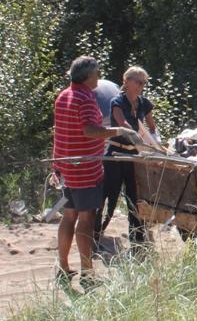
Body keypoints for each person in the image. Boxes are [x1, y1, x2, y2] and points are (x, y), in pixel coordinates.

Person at [53, 56, 140, 287]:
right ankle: (88, 274)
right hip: (85, 169)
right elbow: (91, 131)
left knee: (69, 215)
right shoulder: (85, 98)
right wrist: (120, 130)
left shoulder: (63, 96)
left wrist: (57, 166)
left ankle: (62, 267)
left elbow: (62, 132)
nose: (99, 77)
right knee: (87, 217)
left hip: (66, 166)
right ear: (87, 76)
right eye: (97, 73)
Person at [95, 66, 157, 247]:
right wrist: (136, 134)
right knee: (108, 196)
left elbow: (152, 127)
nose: (140, 86)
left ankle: (137, 239)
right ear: (126, 81)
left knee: (134, 197)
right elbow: (122, 123)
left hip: (133, 155)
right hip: (115, 154)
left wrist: (154, 141)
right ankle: (95, 233)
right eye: (137, 81)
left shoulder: (144, 103)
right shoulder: (117, 101)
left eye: (143, 82)